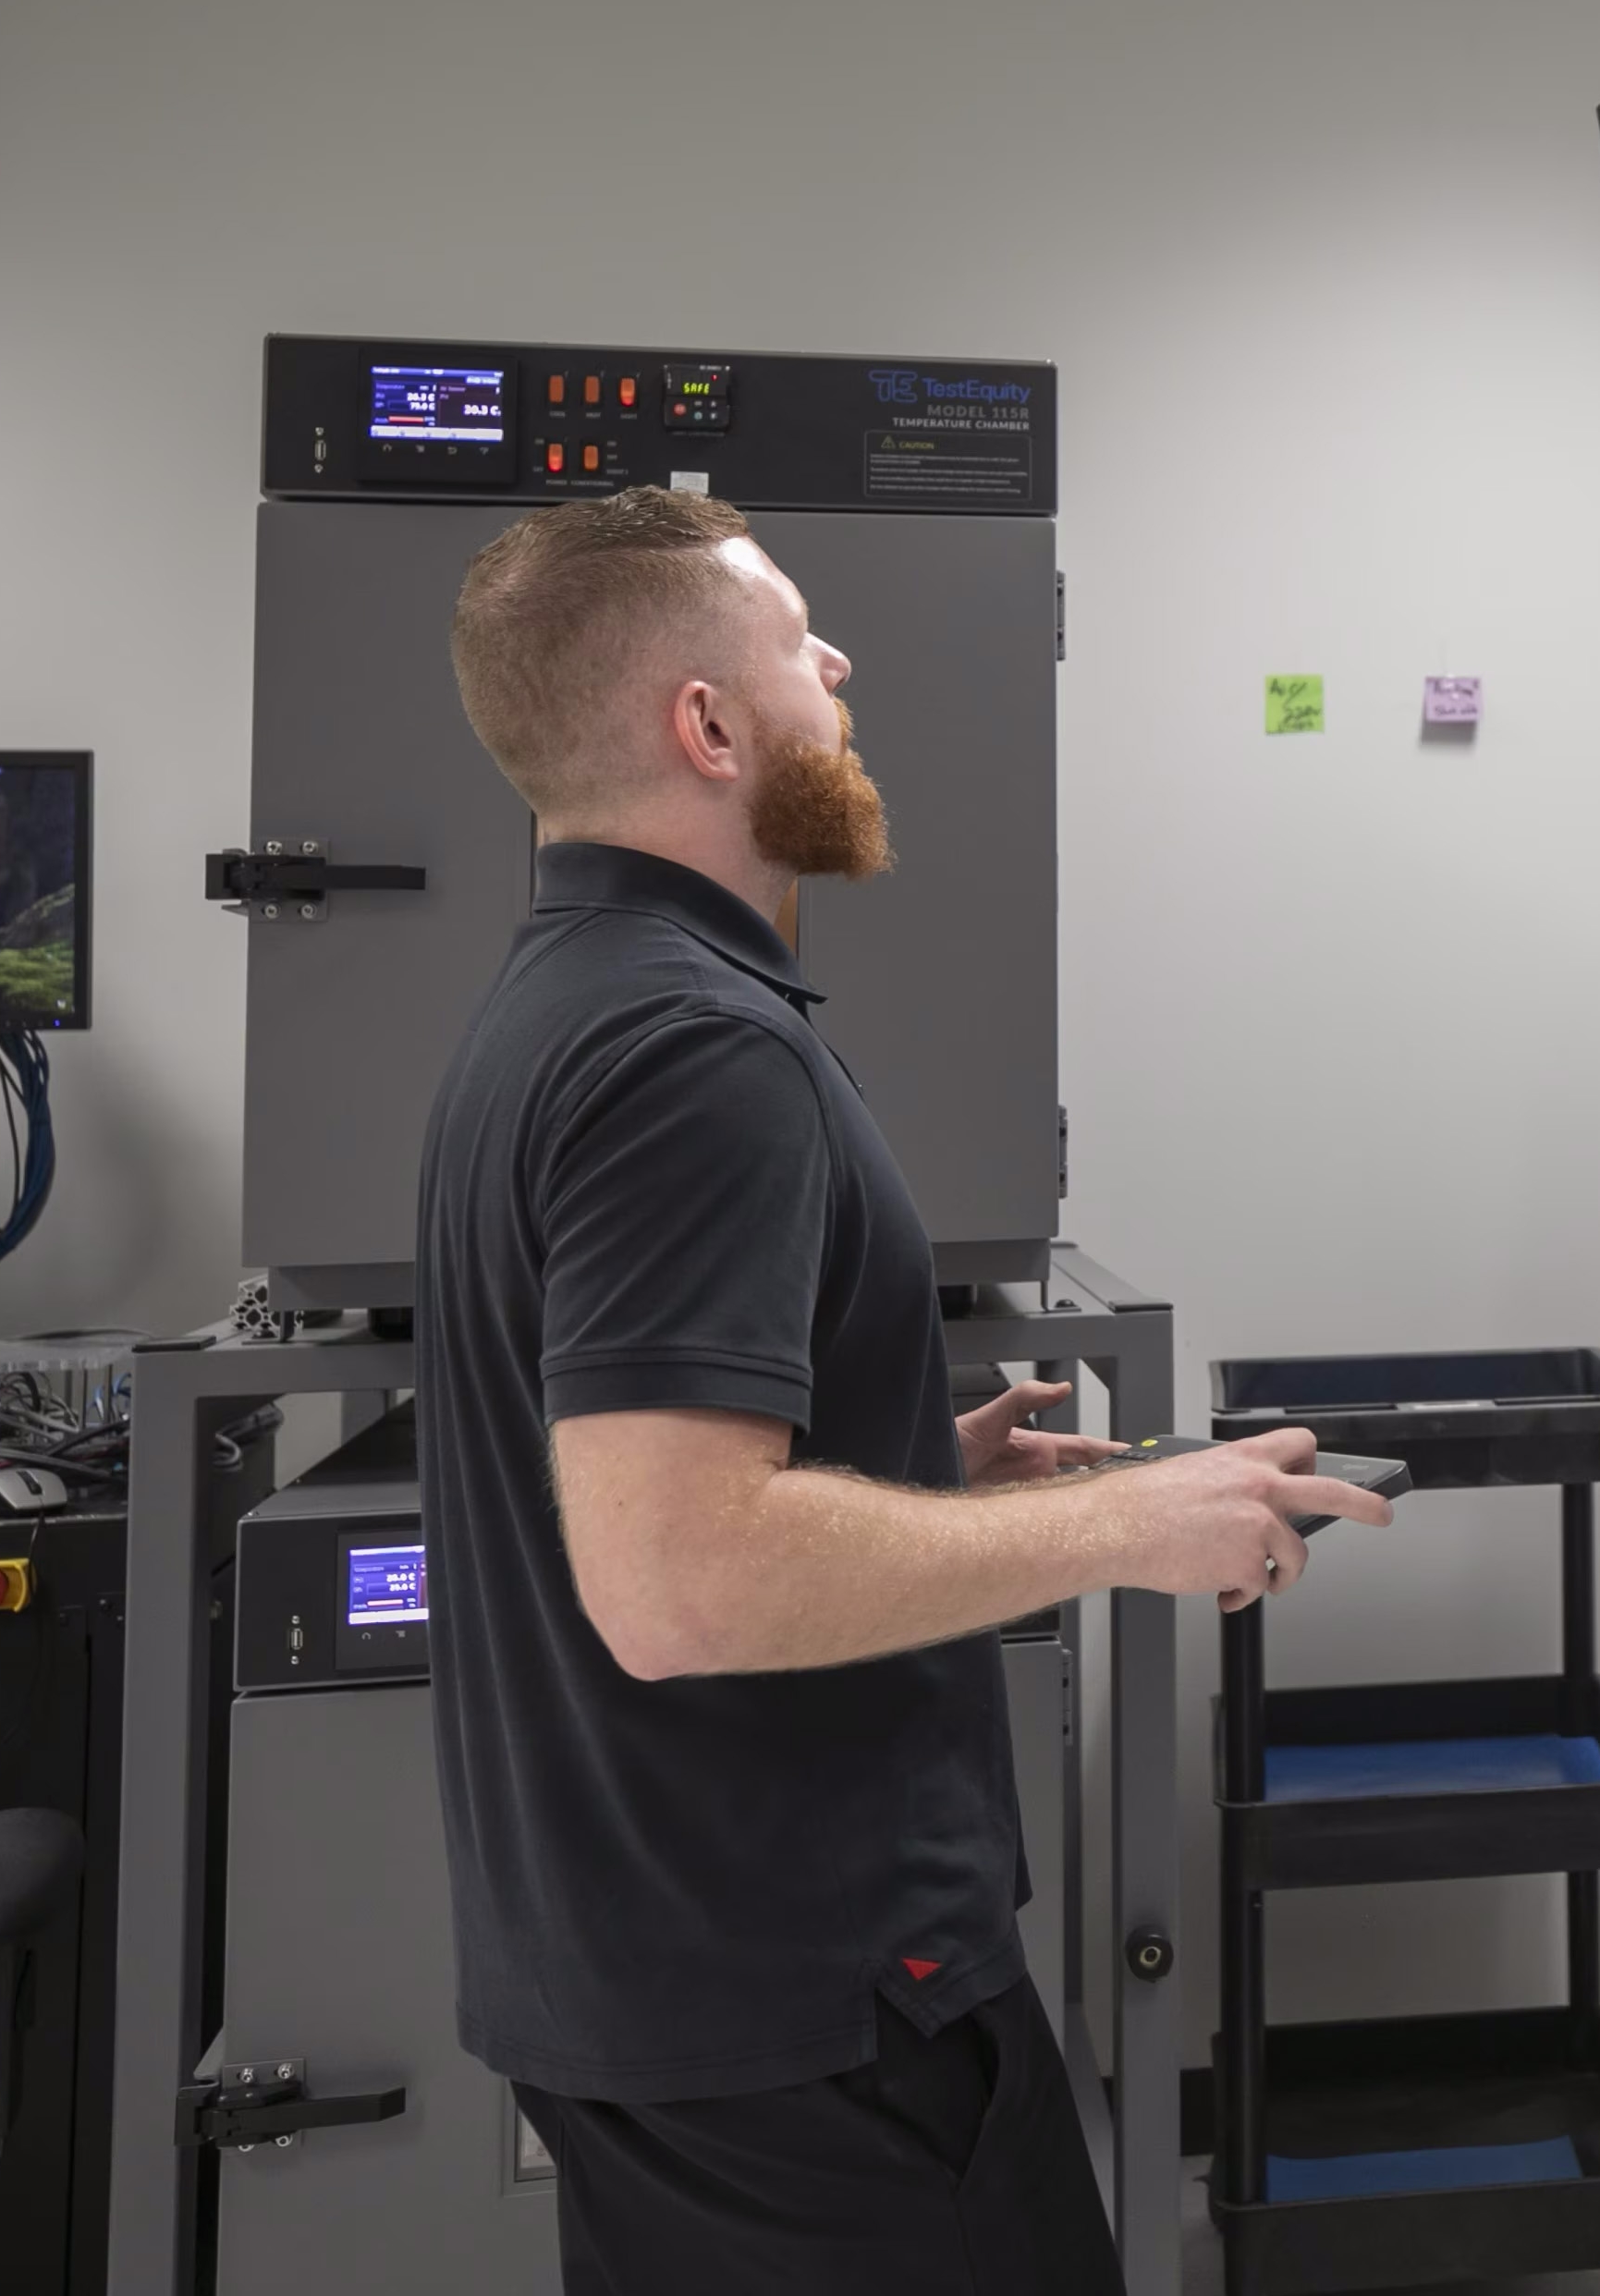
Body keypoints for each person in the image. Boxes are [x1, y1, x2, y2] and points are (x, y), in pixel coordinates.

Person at [418, 487, 1391, 2294]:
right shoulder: (693, 1050)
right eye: (799, 638)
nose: (842, 664)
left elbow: (626, 1489)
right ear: (708, 726)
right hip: (812, 2025)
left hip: (652, 1987)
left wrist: (906, 1467)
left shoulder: (559, 1008)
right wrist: (1127, 1524)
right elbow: (676, 1579)